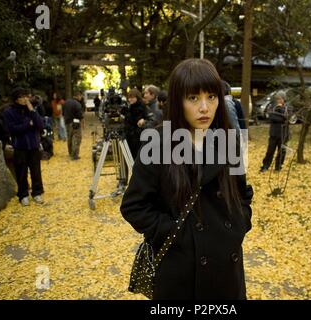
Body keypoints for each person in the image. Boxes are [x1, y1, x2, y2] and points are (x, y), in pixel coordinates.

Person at [120, 58, 254, 300]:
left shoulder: (230, 140)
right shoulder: (157, 143)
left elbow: (242, 193)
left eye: (211, 97)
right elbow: (134, 206)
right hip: (180, 270)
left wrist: (239, 226)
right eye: (193, 98)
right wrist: (178, 234)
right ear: (177, 100)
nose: (204, 108)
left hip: (227, 270)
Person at [3, 87, 45, 206]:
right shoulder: (9, 112)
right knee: (21, 171)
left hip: (33, 145)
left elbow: (40, 124)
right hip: (19, 146)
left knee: (36, 171)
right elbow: (13, 129)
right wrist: (28, 124)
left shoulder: (31, 109)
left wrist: (31, 110)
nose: (25, 99)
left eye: (27, 96)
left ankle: (37, 193)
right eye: (22, 96)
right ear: (16, 99)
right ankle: (23, 194)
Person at [260, 91, 291, 172]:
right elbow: (271, 117)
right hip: (273, 133)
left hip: (283, 134)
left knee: (282, 152)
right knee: (270, 151)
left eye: (280, 99)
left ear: (284, 99)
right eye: (277, 99)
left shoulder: (288, 107)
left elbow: (288, 118)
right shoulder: (272, 106)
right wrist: (281, 117)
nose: (279, 100)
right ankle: (265, 166)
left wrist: (280, 112)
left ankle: (278, 167)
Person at [123, 88, 148, 159]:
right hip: (131, 136)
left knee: (136, 157)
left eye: (132, 98)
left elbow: (136, 121)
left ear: (137, 97)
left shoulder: (141, 107)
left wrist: (127, 114)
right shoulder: (132, 106)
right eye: (129, 98)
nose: (130, 99)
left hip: (137, 138)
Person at [63, 92, 84, 160]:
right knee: (76, 138)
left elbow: (63, 112)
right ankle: (75, 155)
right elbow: (80, 115)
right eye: (81, 96)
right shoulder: (77, 104)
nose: (81, 98)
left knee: (69, 138)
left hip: (67, 122)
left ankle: (70, 152)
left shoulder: (66, 102)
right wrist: (82, 122)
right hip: (75, 123)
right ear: (78, 96)